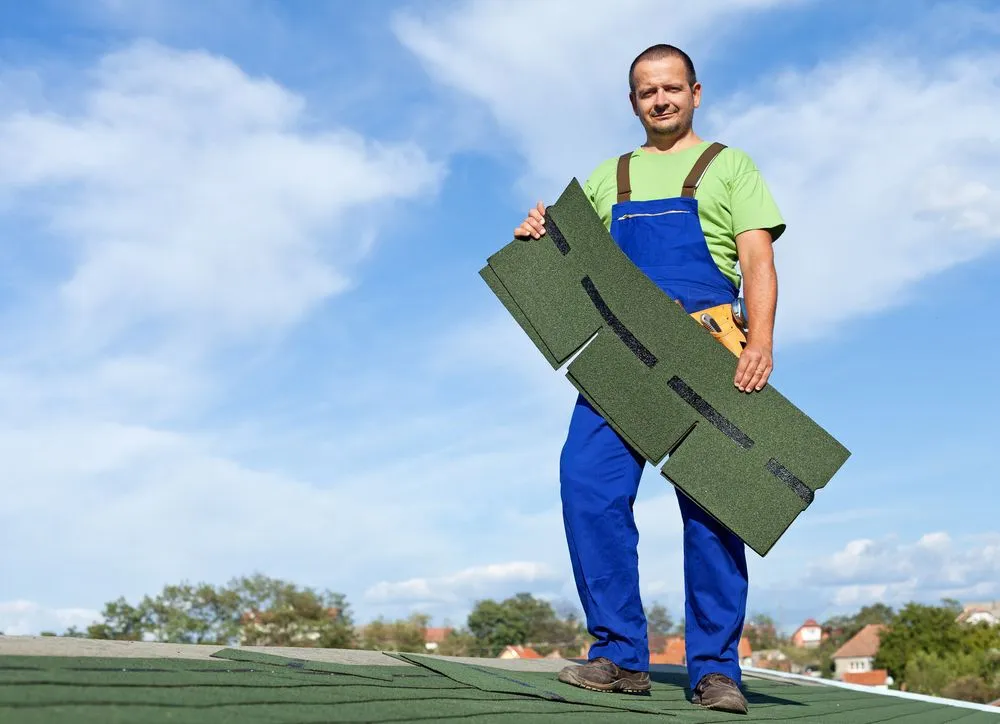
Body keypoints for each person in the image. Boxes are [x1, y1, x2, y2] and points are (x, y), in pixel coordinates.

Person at [514, 44, 785, 714]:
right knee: (587, 486)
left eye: (671, 88)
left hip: (710, 347)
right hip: (622, 355)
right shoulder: (608, 177)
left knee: (714, 508)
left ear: (695, 92)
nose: (660, 100)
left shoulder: (729, 166)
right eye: (646, 92)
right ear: (633, 102)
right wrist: (537, 235)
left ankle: (716, 670)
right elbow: (568, 259)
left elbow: (757, 260)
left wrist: (761, 341)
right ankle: (619, 655)